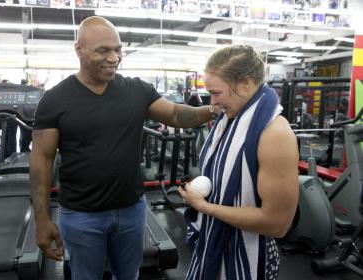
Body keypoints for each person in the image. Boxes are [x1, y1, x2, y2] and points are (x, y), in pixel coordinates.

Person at [29, 16, 216, 280]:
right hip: (81, 216)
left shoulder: (137, 90)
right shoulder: (54, 99)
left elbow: (176, 115)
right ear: (79, 49)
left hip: (131, 211)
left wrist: (214, 109)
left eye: (117, 49)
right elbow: (41, 161)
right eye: (103, 50)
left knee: (128, 276)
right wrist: (41, 220)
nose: (114, 58)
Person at [177, 45, 299, 280]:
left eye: (217, 93)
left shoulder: (275, 134)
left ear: (245, 83)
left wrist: (204, 207)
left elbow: (277, 223)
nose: (212, 104)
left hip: (251, 257)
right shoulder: (230, 121)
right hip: (216, 242)